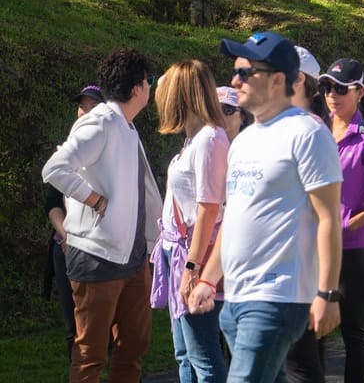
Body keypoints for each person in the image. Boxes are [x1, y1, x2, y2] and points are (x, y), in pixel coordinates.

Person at [189, 32, 342, 383]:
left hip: (277, 297)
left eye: (246, 72)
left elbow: (328, 217)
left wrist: (328, 293)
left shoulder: (307, 134)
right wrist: (208, 281)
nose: (235, 80)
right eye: (235, 70)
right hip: (237, 301)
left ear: (277, 81)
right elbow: (235, 221)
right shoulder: (243, 141)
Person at [42, 48, 163, 383]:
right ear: (138, 88)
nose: (151, 89)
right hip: (97, 257)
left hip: (132, 258)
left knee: (133, 347)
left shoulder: (126, 126)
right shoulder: (102, 122)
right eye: (149, 81)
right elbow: (54, 168)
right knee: (90, 356)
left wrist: (150, 247)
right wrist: (94, 199)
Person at [288, 59, 364, 383]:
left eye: (341, 88)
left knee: (354, 332)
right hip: (313, 245)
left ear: (360, 92)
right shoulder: (316, 128)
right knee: (313, 327)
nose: (332, 95)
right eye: (327, 87)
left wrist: (363, 217)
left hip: (355, 248)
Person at [152, 60, 231, 383]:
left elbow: (208, 210)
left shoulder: (210, 139)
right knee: (185, 354)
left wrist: (192, 268)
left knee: (204, 356)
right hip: (179, 250)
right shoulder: (194, 138)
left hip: (194, 254)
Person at [45, 85, 104, 360]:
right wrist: (65, 233)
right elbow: (53, 203)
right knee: (74, 331)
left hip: (100, 249)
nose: (85, 112)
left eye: (93, 106)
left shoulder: (109, 149)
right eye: (82, 106)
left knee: (111, 328)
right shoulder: (67, 149)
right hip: (66, 246)